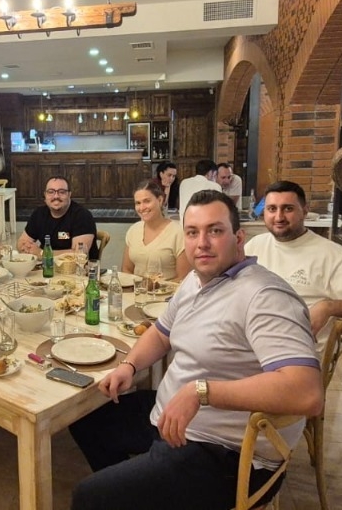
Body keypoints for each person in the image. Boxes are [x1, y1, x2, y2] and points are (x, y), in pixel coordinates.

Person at [68, 191, 323, 510]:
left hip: (227, 454)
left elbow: (306, 393)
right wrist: (129, 366)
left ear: (239, 238)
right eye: (192, 232)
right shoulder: (196, 280)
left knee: (89, 496)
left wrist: (200, 392)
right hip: (171, 421)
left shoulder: (265, 296)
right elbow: (161, 333)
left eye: (215, 231)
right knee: (84, 421)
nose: (202, 243)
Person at [244, 181, 342, 337]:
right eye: (272, 209)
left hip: (298, 346)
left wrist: (329, 307)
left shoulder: (331, 255)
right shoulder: (256, 245)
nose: (279, 217)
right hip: (252, 341)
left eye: (288, 208)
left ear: (305, 211)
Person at [121, 179, 188, 281]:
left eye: (147, 201)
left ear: (160, 200)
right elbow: (126, 269)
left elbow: (183, 277)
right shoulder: (133, 230)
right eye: (138, 203)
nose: (142, 208)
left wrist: (155, 288)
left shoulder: (178, 233)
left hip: (169, 291)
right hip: (136, 289)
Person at [17, 176, 97, 258]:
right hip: (45, 265)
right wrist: (26, 248)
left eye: (61, 192)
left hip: (77, 266)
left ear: (69, 194)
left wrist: (42, 253)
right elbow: (21, 243)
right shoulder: (38, 214)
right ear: (45, 195)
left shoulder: (82, 216)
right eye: (51, 192)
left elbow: (79, 254)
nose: (56, 196)